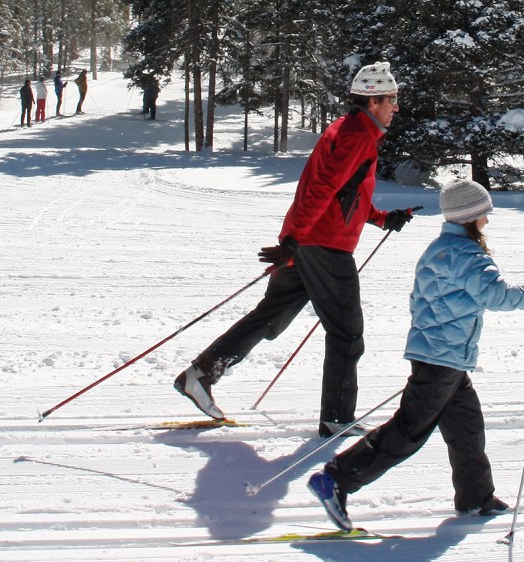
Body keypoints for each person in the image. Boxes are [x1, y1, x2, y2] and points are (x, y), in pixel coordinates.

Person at [306, 179, 524, 531]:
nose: (487, 221)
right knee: (408, 431)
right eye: (483, 215)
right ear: (468, 218)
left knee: (466, 428)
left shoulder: (437, 249)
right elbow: (497, 295)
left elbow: (418, 300)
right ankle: (337, 478)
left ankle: (476, 497)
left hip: (442, 357)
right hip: (443, 359)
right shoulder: (469, 256)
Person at [173, 61, 416, 437]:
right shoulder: (357, 136)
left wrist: (382, 218)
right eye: (392, 99)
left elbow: (343, 192)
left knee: (270, 316)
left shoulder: (351, 130)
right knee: (347, 334)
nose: (395, 107)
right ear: (373, 100)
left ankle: (201, 374)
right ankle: (336, 417)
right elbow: (322, 189)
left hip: (310, 240)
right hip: (323, 246)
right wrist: (294, 242)